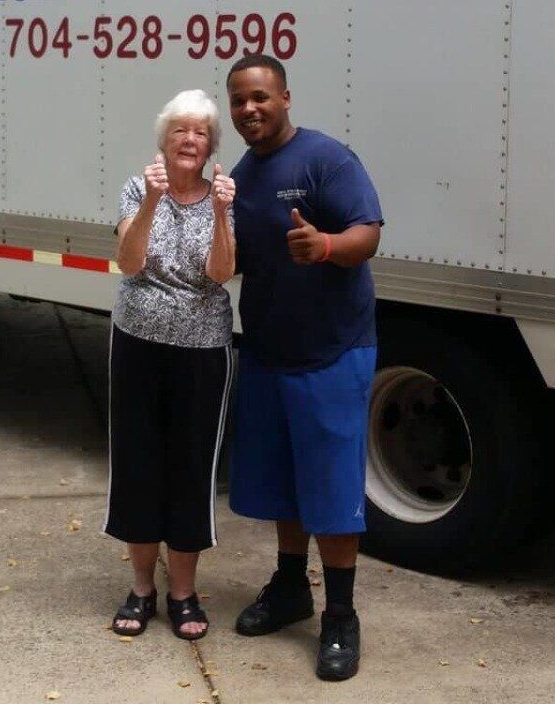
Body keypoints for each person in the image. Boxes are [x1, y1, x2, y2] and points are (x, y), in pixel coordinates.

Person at [223, 54, 383, 682]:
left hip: (332, 352)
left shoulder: (326, 160)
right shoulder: (241, 175)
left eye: (260, 97)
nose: (249, 110)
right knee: (285, 478)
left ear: (285, 97)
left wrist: (326, 247)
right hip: (267, 351)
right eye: (238, 100)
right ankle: (291, 589)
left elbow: (367, 234)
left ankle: (340, 615)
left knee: (332, 487)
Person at [105, 89, 238, 640]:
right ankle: (141, 588)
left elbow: (222, 274)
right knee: (138, 462)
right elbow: (129, 263)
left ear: (211, 146)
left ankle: (183, 594)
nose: (190, 140)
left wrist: (225, 215)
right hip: (137, 342)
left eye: (201, 132)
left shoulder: (224, 197)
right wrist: (153, 203)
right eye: (181, 130)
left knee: (190, 466)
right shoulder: (138, 189)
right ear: (163, 140)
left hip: (202, 350)